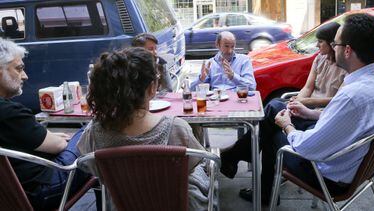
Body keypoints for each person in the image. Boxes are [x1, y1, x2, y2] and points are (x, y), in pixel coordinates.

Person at [239, 13, 374, 204]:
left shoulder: (352, 96)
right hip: (356, 166)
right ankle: (241, 159)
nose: (332, 47)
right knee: (276, 108)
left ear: (347, 50)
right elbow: (348, 123)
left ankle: (261, 189)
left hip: (329, 176)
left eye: (335, 44)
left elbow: (306, 148)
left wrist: (287, 126)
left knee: (272, 131)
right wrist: (309, 113)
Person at [220, 22, 346, 202]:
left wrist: (305, 102)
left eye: (320, 42)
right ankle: (263, 190)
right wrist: (298, 100)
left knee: (272, 107)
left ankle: (234, 155)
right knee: (272, 124)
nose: (317, 46)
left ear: (333, 44)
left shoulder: (345, 67)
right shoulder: (319, 59)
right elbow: (307, 87)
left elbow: (337, 101)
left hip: (319, 117)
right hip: (304, 108)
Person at [77, 47, 212, 210]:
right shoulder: (176, 129)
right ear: (151, 88)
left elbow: (93, 168)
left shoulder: (95, 131)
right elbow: (193, 164)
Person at [0, 38, 91, 210]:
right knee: (89, 132)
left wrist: (45, 136)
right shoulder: (9, 113)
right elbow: (58, 146)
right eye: (19, 69)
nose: (25, 76)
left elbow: (15, 138)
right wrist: (60, 140)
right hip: (40, 191)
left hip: (7, 195)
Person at [190, 31, 256, 91]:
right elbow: (191, 89)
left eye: (232, 46)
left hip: (236, 98)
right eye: (226, 46)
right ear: (217, 45)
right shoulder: (210, 63)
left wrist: (233, 77)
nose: (230, 51)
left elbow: (252, 87)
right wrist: (201, 79)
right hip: (216, 99)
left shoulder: (244, 60)